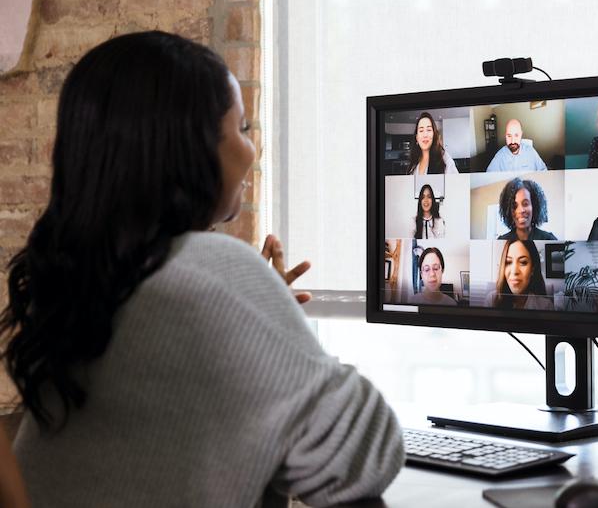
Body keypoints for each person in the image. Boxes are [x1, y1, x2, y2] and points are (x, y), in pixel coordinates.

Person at [0, 31, 403, 508]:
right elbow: (363, 457)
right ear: (192, 146)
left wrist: (256, 321)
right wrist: (274, 323)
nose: (253, 151)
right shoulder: (208, 269)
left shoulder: (85, 275)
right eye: (244, 127)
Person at [485, 239, 553, 310]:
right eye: (508, 262)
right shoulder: (492, 300)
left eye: (523, 262)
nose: (514, 271)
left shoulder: (546, 306)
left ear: (532, 269)